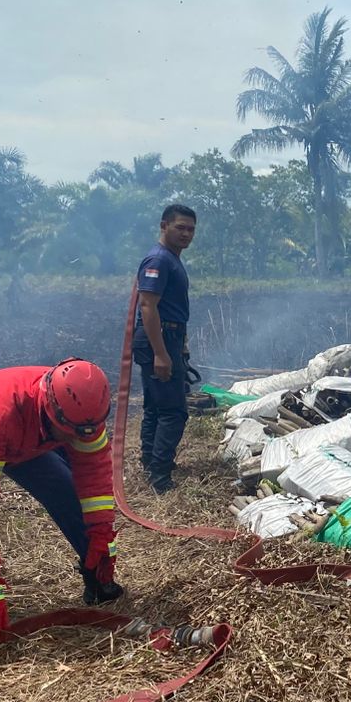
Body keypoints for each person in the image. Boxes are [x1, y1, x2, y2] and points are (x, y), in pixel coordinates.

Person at [0, 359, 124, 651]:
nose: (74, 438)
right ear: (50, 409)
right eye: (67, 431)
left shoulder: (84, 413)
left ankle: (97, 579)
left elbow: (94, 481)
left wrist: (100, 534)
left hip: (23, 438)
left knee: (68, 492)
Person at [134, 203, 196, 493]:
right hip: (159, 339)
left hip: (169, 337)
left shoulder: (170, 259)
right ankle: (160, 477)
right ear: (164, 226)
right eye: (180, 227)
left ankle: (151, 463)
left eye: (191, 229)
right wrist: (161, 353)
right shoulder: (159, 260)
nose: (186, 234)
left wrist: (179, 346)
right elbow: (147, 306)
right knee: (173, 411)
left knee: (156, 407)